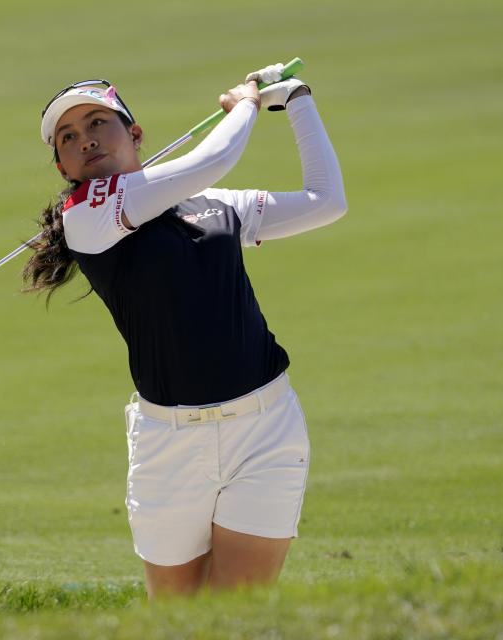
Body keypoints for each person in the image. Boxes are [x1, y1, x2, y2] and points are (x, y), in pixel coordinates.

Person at [22, 64, 346, 598]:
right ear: (62, 165)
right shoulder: (87, 215)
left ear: (135, 133)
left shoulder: (215, 206)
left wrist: (297, 101)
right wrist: (246, 104)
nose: (85, 139)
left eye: (98, 122)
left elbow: (326, 202)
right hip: (168, 444)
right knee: (180, 622)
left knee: (235, 614)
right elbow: (212, 159)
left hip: (264, 430)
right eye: (68, 137)